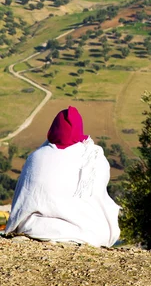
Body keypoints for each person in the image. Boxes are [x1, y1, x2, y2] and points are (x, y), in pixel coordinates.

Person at [5, 106, 120, 247]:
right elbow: (98, 196)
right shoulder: (94, 157)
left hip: (36, 227)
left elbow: (22, 199)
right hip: (86, 231)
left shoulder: (36, 157)